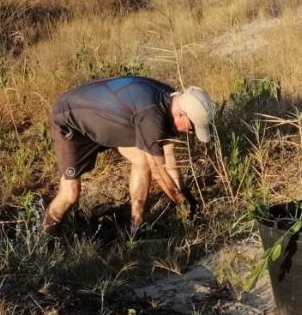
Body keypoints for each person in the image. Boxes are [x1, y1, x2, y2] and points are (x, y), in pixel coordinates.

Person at [43, 76, 215, 233]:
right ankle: (47, 236)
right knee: (70, 192)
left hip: (104, 120)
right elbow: (159, 172)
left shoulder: (171, 99)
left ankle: (136, 226)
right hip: (70, 118)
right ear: (181, 114)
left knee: (142, 161)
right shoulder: (152, 117)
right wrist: (182, 205)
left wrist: (185, 192)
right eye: (192, 127)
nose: (190, 132)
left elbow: (169, 158)